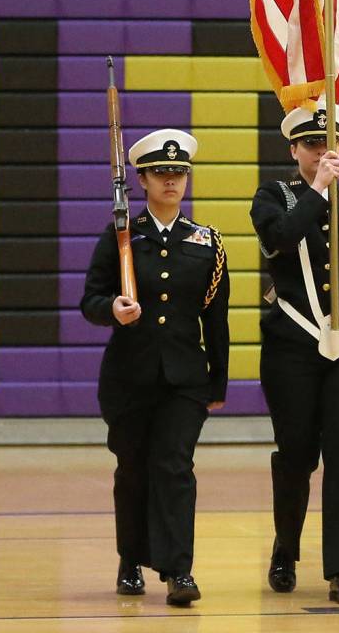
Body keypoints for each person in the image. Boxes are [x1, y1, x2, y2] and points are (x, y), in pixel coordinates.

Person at [81, 129, 230, 607]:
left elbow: (216, 318)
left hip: (185, 378)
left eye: (179, 173)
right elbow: (90, 300)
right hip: (129, 376)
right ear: (141, 179)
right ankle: (131, 558)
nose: (172, 181)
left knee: (174, 467)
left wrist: (218, 381)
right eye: (162, 173)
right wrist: (113, 310)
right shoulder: (121, 235)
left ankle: (178, 570)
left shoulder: (207, 243)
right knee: (133, 471)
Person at [250, 103, 339, 606]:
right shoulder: (274, 196)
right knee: (296, 456)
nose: (320, 150)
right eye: (310, 144)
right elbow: (281, 239)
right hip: (292, 346)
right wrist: (314, 191)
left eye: (328, 143)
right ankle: (286, 548)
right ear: (294, 150)